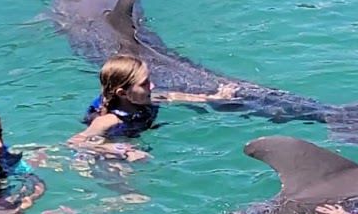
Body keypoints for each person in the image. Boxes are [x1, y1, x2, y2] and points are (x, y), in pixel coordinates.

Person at [67, 53, 238, 162]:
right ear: (122, 93)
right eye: (144, 83)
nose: (152, 85)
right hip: (113, 143)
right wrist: (120, 150)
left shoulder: (144, 98)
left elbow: (172, 96)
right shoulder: (107, 121)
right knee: (128, 185)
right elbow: (75, 143)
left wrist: (213, 98)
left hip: (132, 135)